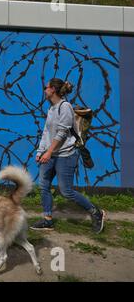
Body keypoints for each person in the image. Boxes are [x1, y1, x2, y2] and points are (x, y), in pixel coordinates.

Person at [31, 78, 106, 233]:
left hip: (65, 155)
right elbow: (46, 132)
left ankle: (96, 212)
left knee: (66, 191)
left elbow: (62, 133)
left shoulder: (65, 108)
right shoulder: (52, 108)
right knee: (44, 186)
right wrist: (40, 152)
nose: (44, 90)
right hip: (50, 154)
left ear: (53, 90)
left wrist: (49, 152)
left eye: (46, 88)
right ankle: (47, 220)